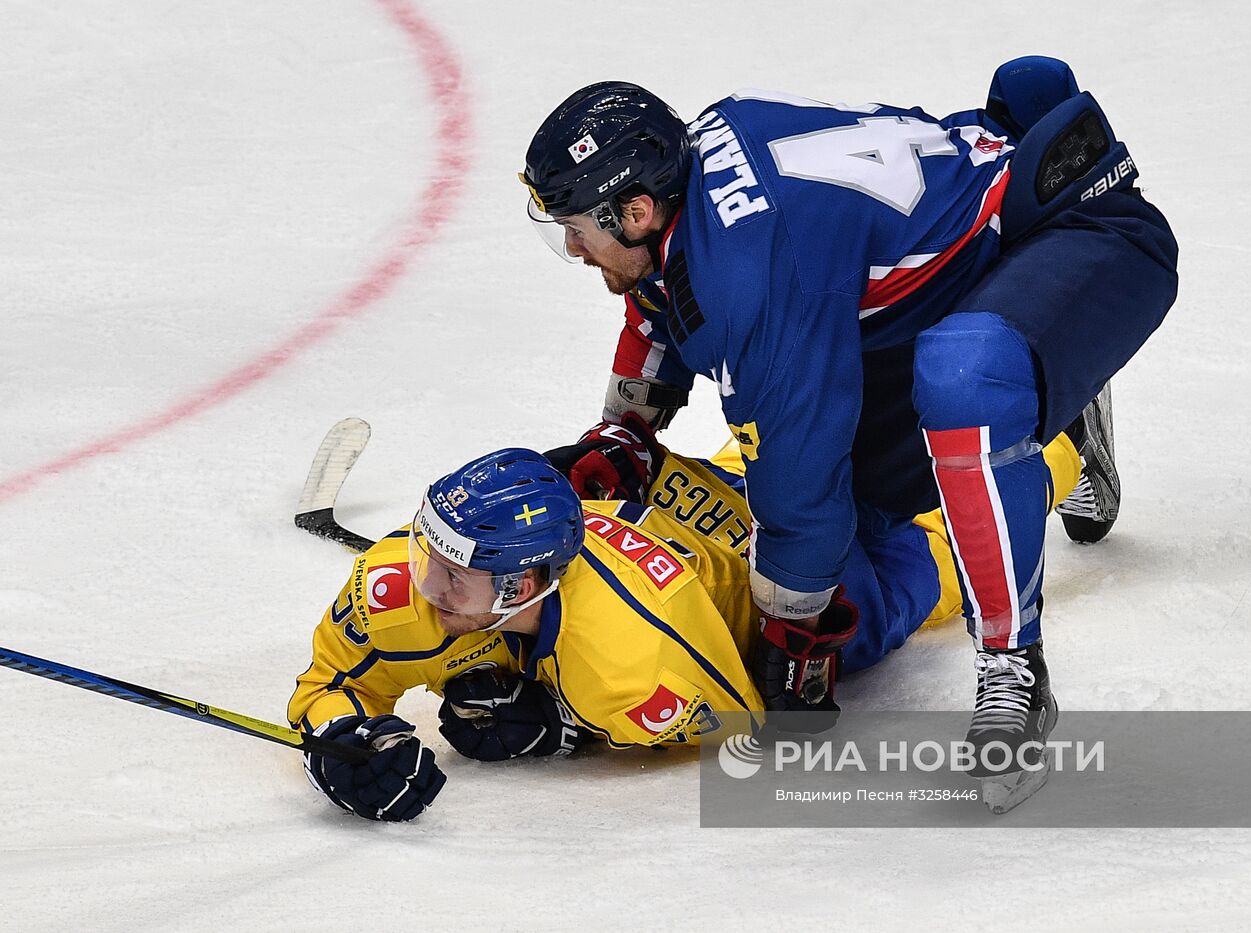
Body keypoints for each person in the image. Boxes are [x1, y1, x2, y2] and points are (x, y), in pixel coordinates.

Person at [519, 57, 1179, 797]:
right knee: (854, 536)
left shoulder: (754, 272)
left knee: (963, 375)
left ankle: (1014, 669)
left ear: (636, 212)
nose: (574, 249)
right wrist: (625, 432)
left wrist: (791, 637)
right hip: (971, 272)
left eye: (576, 230)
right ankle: (1051, 414)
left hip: (1083, 234)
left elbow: (796, 473)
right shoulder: (698, 164)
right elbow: (662, 294)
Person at [288, 430, 1084, 821]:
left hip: (789, 586)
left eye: (453, 574)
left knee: (924, 569)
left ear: (524, 583)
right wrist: (340, 741)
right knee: (814, 453)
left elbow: (758, 722)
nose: (423, 585)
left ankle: (1059, 443)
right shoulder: (394, 584)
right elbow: (325, 687)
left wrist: (565, 727)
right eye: (428, 550)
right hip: (712, 497)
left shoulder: (630, 660)